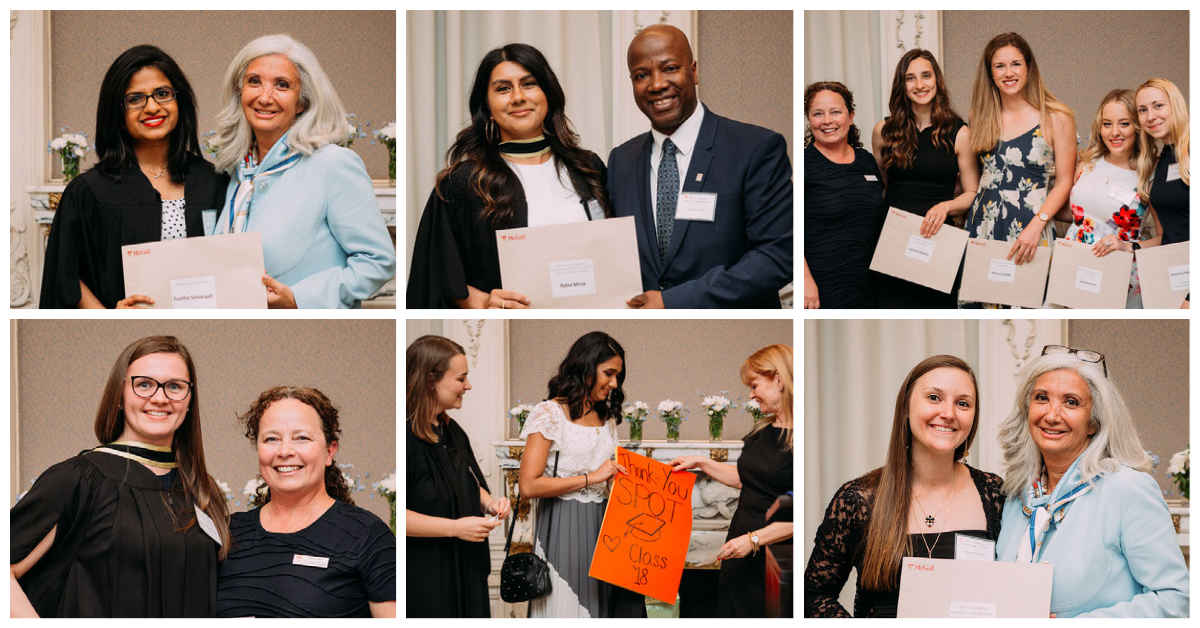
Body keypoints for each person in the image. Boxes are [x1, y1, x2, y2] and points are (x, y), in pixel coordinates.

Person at [10, 335, 231, 617]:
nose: (160, 398)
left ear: (189, 401)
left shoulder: (201, 489)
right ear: (119, 396)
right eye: (144, 385)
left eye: (174, 386)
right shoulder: (79, 479)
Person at [407, 43, 610, 309]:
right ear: (487, 106)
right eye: (503, 88)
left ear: (547, 95)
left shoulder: (588, 168)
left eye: (528, 84)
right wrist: (484, 301)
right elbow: (435, 275)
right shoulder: (465, 183)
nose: (517, 97)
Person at [804, 355, 1005, 617]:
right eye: (934, 397)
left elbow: (1008, 587)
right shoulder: (857, 499)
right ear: (906, 408)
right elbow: (814, 595)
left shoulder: (994, 493)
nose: (948, 413)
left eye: (963, 403)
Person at [608, 24, 793, 309]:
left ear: (693, 71)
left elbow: (777, 256)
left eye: (670, 68)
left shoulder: (755, 148)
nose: (656, 84)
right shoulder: (621, 160)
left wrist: (672, 302)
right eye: (642, 75)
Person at [995, 347, 1188, 616]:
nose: (1051, 415)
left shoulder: (1127, 489)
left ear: (1094, 422)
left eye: (1071, 402)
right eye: (1042, 398)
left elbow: (1177, 601)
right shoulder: (1017, 496)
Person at [212, 34, 395, 308]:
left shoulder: (333, 164)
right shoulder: (237, 171)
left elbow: (378, 261)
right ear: (240, 92)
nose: (265, 97)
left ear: (302, 102)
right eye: (254, 82)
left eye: (282, 85)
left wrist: (299, 298)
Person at [40, 45, 227, 309]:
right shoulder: (89, 192)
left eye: (162, 94)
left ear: (179, 100)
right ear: (117, 110)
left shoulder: (215, 182)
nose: (152, 107)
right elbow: (66, 276)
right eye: (135, 99)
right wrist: (109, 316)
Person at [218, 386, 396, 618]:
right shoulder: (226, 533)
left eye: (301, 438)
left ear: (330, 451)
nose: (285, 451)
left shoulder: (367, 535)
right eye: (271, 438)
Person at [517, 332, 644, 617]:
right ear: (586, 368)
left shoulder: (606, 417)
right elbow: (527, 486)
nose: (614, 383)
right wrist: (592, 478)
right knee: (567, 607)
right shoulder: (549, 413)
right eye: (608, 373)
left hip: (603, 527)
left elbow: (606, 474)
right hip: (562, 524)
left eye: (618, 376)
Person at [670, 344, 795, 617]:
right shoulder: (762, 430)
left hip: (774, 552)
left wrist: (752, 540)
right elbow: (745, 479)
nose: (751, 395)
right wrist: (700, 462)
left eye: (754, 385)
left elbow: (801, 516)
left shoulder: (803, 438)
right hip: (741, 540)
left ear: (779, 379)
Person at [962, 32, 1076, 308]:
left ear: (1029, 67)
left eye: (1016, 64)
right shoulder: (980, 116)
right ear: (990, 73)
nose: (1008, 72)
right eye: (999, 66)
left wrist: (1036, 226)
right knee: (984, 305)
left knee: (1029, 303)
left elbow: (1064, 182)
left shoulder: (1057, 117)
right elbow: (975, 178)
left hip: (1031, 226)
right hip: (984, 225)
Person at [405, 336, 511, 617]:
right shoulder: (404, 439)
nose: (468, 386)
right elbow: (397, 517)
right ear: (431, 380)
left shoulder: (454, 433)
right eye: (461, 378)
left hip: (468, 568)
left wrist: (490, 504)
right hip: (427, 576)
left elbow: (465, 482)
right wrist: (455, 528)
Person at [871, 49, 980, 309]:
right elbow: (880, 188)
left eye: (926, 76)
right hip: (892, 244)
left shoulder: (960, 132)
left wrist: (946, 206)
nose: (920, 85)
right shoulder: (883, 131)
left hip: (938, 243)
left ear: (937, 81)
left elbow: (972, 192)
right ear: (902, 85)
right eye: (910, 78)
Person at [804, 81, 886, 309]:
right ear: (810, 120)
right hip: (822, 287)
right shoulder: (804, 165)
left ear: (850, 117)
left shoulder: (867, 161)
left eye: (835, 112)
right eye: (818, 113)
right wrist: (805, 281)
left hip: (871, 283)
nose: (827, 120)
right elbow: (787, 228)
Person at [1065, 90, 1148, 308]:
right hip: (1074, 265)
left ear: (1138, 127)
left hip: (1119, 272)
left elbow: (1166, 239)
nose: (1114, 132)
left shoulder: (1149, 176)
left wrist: (1126, 246)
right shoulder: (1086, 164)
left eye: (1124, 123)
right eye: (1107, 124)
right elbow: (1073, 214)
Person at [1135, 79, 1190, 249]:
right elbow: (1169, 237)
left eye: (1158, 105)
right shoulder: (1163, 159)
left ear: (1175, 105)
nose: (1150, 117)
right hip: (1178, 266)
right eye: (1142, 110)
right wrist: (1130, 248)